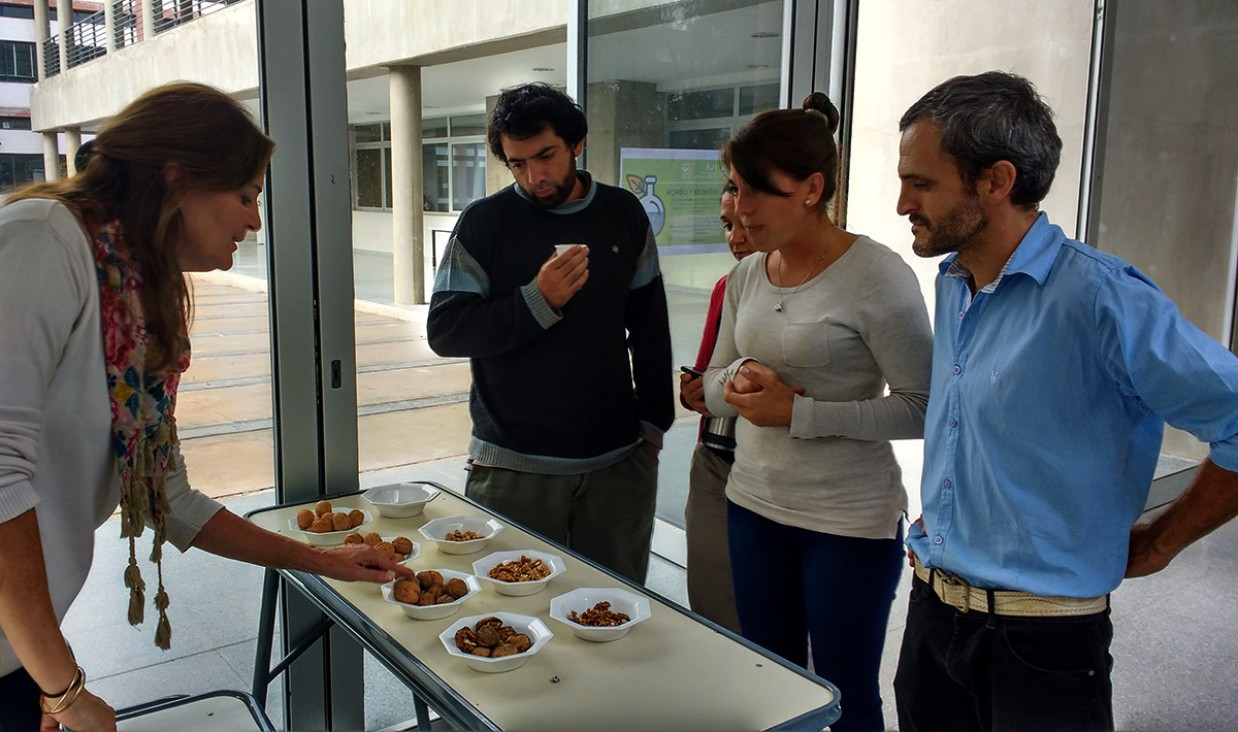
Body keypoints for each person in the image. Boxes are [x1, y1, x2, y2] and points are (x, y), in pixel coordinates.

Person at [0, 82, 411, 732]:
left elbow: (167, 497)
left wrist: (325, 561)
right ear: (176, 179)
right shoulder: (43, 239)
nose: (254, 220)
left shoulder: (138, 297)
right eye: (246, 196)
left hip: (22, 646)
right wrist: (66, 687)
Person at [892, 71, 1238, 732]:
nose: (904, 200)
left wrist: (1164, 542)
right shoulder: (954, 282)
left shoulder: (1104, 298)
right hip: (933, 616)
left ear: (995, 181)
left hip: (1041, 643)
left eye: (922, 182)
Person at [703, 92, 933, 731]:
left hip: (847, 522)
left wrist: (799, 415)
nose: (740, 210)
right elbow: (711, 385)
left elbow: (923, 407)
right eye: (736, 188)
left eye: (758, 193)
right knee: (774, 683)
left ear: (812, 189)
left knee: (843, 693)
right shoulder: (749, 274)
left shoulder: (877, 277)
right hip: (753, 504)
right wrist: (741, 379)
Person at [426, 83, 673, 583]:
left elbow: (650, 326)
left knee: (612, 612)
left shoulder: (623, 215)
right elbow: (446, 330)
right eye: (517, 163)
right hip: (513, 469)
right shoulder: (484, 223)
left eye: (546, 156)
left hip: (617, 464)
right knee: (509, 623)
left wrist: (653, 424)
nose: (535, 176)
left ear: (576, 144)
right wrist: (536, 301)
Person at [677, 186, 754, 633]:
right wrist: (696, 391)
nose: (736, 236)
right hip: (716, 458)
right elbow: (707, 377)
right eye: (727, 223)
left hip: (777, 471)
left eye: (745, 221)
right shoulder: (728, 285)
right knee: (712, 604)